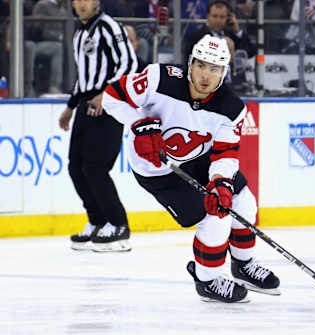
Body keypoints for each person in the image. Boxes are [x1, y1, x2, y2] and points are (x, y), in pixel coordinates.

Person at [101, 34, 280, 303]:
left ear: (224, 72)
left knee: (243, 202)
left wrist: (221, 182)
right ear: (190, 64)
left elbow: (225, 152)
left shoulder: (232, 108)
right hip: (158, 169)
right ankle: (207, 280)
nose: (206, 75)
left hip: (200, 159)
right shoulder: (158, 79)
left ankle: (242, 265)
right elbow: (111, 97)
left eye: (215, 68)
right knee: (214, 218)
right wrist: (139, 124)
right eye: (201, 65)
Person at [58, 0, 137, 252]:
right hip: (85, 103)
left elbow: (129, 63)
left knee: (95, 167)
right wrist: (70, 107)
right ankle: (97, 220)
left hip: (108, 104)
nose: (81, 4)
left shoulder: (108, 26)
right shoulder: (80, 32)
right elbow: (83, 76)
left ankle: (119, 224)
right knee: (76, 167)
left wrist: (108, 93)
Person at [182, 0, 256, 66]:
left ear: (228, 17)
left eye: (222, 17)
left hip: (234, 79)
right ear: (207, 16)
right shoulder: (196, 36)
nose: (218, 20)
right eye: (215, 16)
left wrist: (237, 31)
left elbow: (250, 53)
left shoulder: (232, 34)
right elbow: (191, 62)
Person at [32, 0, 67, 94]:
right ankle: (54, 86)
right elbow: (37, 28)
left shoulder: (63, 10)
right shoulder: (42, 5)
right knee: (57, 48)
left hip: (59, 42)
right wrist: (59, 37)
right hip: (39, 44)